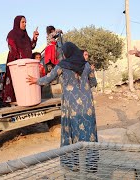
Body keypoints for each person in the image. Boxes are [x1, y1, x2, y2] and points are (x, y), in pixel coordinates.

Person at [27, 42, 98, 171]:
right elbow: (93, 83)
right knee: (89, 132)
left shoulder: (62, 66)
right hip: (87, 103)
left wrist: (35, 81)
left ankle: (73, 164)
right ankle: (91, 164)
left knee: (72, 130)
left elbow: (48, 79)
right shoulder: (86, 65)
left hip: (71, 104)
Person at [2, 15, 39, 104]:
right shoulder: (12, 34)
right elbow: (12, 48)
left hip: (26, 63)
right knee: (16, 81)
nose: (25, 24)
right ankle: (13, 100)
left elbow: (31, 47)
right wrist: (20, 59)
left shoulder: (25, 36)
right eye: (23, 22)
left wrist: (34, 38)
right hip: (15, 62)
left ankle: (26, 99)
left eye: (25, 22)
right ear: (17, 23)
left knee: (26, 81)